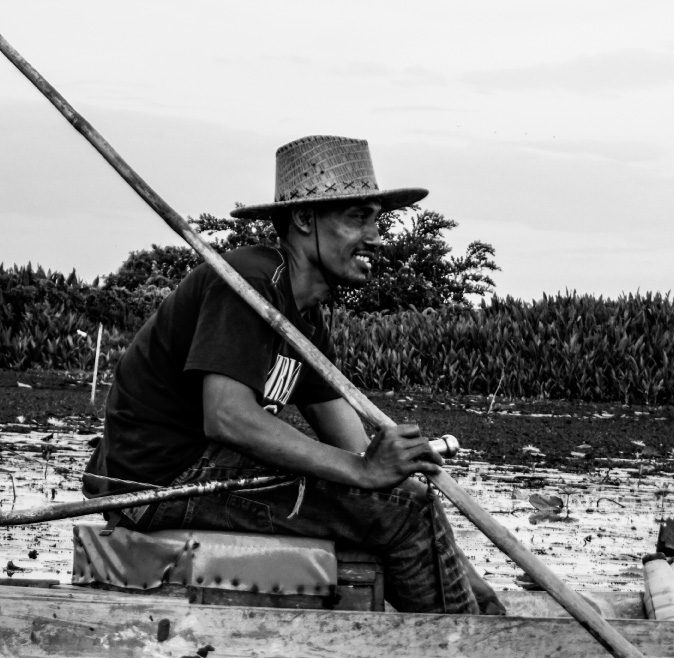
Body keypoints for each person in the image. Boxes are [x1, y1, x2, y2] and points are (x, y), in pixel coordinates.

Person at [83, 135, 501, 615]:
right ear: (304, 220)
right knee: (404, 511)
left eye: (376, 218)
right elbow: (227, 417)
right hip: (162, 480)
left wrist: (460, 567)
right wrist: (364, 473)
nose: (377, 237)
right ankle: (456, 651)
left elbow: (351, 445)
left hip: (206, 469)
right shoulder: (251, 281)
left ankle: (460, 618)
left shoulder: (305, 318)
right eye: (357, 217)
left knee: (407, 500)